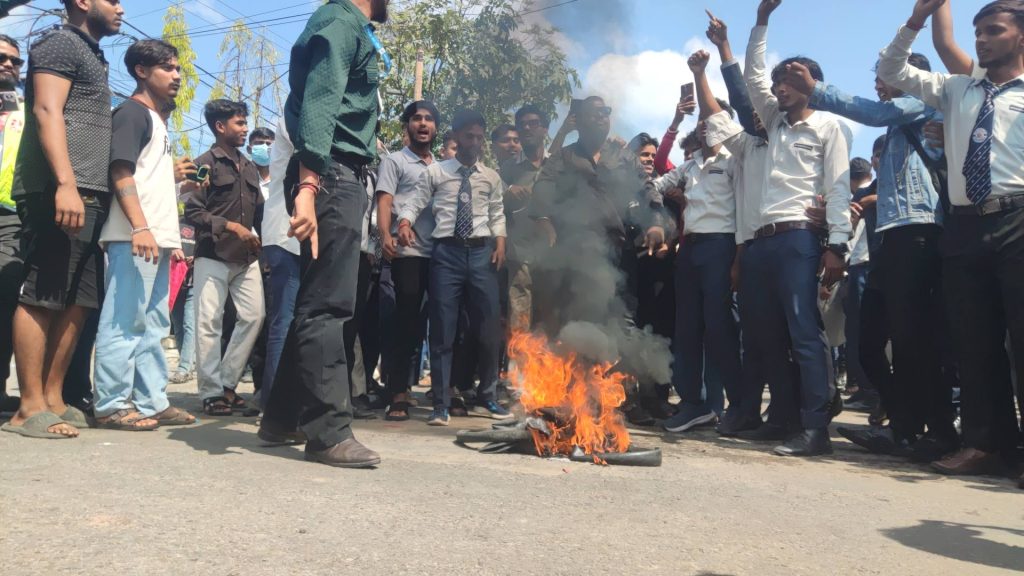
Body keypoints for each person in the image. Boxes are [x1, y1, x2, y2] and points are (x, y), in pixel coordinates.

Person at [783, 49, 960, 460]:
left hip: (919, 233)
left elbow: (873, 114)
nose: (878, 81)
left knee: (914, 340)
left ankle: (933, 432)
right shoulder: (900, 128)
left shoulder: (921, 103)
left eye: (886, 74)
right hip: (890, 239)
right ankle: (903, 426)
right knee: (868, 345)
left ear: (912, 76)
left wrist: (817, 91)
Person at [878, 0, 1024, 478]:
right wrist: (918, 19)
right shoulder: (956, 89)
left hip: (1019, 220)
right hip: (962, 226)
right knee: (973, 340)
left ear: (1020, 36)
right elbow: (892, 68)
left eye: (994, 30)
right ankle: (986, 444)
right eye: (977, 30)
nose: (981, 39)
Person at [259, 0, 387, 468]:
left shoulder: (352, 25)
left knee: (317, 301)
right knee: (328, 305)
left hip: (338, 173)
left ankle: (281, 419)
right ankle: (328, 433)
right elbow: (320, 101)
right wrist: (309, 186)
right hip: (331, 172)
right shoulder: (338, 22)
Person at [2, 0, 124, 439]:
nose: (122, 9)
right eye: (113, 0)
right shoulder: (58, 43)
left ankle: (53, 398)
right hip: (58, 189)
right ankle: (27, 406)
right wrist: (66, 184)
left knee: (79, 299)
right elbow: (46, 111)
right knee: (43, 292)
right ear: (83, 2)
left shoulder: (91, 53)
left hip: (91, 191)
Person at [738, 0, 852, 457]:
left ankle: (815, 428)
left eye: (791, 80)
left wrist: (837, 246)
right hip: (762, 242)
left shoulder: (828, 126)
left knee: (805, 332)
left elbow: (839, 188)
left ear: (811, 85)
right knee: (765, 334)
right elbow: (751, 76)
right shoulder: (772, 123)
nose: (780, 87)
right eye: (778, 81)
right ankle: (783, 417)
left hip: (800, 239)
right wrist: (761, 21)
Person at [92, 39, 196, 430]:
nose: (177, 75)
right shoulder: (133, 113)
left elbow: (144, 177)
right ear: (141, 71)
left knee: (155, 324)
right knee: (125, 320)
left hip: (158, 238)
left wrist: (177, 182)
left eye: (178, 68)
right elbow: (120, 171)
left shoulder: (158, 122)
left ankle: (152, 400)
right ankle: (111, 404)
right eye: (168, 68)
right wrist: (140, 227)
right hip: (135, 236)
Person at [397, 109, 510, 426]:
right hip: (445, 254)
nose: (474, 142)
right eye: (469, 136)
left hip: (481, 254)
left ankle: (487, 396)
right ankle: (440, 404)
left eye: (479, 137)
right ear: (457, 137)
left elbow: (497, 213)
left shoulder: (491, 177)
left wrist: (500, 242)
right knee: (443, 330)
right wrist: (404, 221)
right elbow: (416, 201)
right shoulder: (437, 172)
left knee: (488, 329)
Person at [657, 50, 742, 433]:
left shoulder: (737, 162)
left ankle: (731, 405)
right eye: (704, 122)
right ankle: (692, 403)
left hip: (721, 248)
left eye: (713, 121)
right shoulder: (691, 165)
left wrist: (738, 257)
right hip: (689, 250)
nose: (706, 127)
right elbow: (656, 183)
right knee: (687, 327)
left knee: (719, 327)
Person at [186, 99, 266, 417]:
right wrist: (230, 226)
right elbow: (192, 210)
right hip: (212, 254)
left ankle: (228, 384)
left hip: (247, 258)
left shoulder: (248, 166)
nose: (245, 128)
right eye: (239, 123)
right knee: (209, 323)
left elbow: (259, 211)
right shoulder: (204, 163)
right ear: (220, 127)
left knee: (254, 316)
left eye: (245, 122)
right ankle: (211, 392)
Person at [376, 100, 439, 422]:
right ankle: (397, 392)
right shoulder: (394, 161)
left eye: (429, 119)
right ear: (407, 126)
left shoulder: (442, 167)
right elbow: (385, 199)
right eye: (417, 119)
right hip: (408, 253)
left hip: (439, 255)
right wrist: (385, 234)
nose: (423, 124)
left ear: (436, 128)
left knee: (426, 326)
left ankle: (422, 389)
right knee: (404, 322)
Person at [259, 118, 300, 412]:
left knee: (294, 324)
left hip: (296, 237)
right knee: (283, 324)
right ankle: (275, 408)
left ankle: (283, 403)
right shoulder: (296, 113)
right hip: (287, 237)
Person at [0, 33, 24, 414]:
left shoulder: (29, 108)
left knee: (4, 301)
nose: (8, 64)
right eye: (2, 57)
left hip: (11, 216)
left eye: (15, 61)